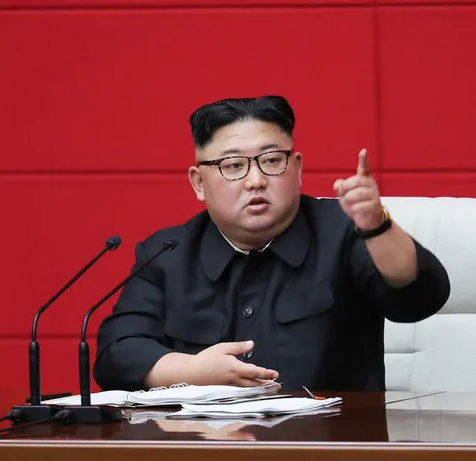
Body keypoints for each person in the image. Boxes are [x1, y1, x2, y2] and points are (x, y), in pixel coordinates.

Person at [93, 95, 449, 392]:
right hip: (203, 455)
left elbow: (418, 297)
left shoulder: (342, 234)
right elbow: (117, 353)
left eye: (271, 161)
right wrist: (192, 371)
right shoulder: (167, 254)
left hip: (331, 454)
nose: (256, 180)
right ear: (198, 182)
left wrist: (376, 226)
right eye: (233, 165)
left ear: (296, 168)